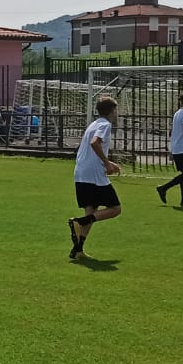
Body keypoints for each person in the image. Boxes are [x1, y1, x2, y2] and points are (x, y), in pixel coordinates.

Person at [69, 95, 122, 261]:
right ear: (112, 111)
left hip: (81, 172)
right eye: (116, 110)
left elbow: (90, 148)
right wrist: (106, 163)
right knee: (115, 208)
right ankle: (80, 221)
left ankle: (78, 249)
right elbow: (94, 143)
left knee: (91, 209)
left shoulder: (93, 124)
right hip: (94, 175)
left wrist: (109, 163)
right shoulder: (105, 125)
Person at [157, 90, 183, 207]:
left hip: (177, 149)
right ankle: (163, 188)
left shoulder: (177, 113)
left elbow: (174, 133)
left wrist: (172, 150)